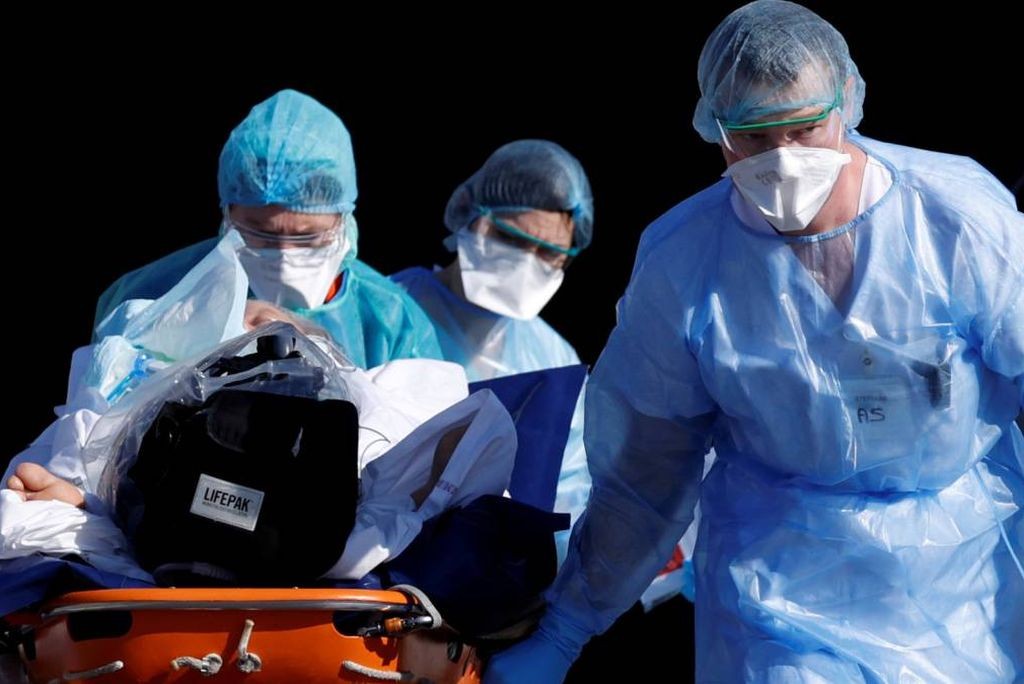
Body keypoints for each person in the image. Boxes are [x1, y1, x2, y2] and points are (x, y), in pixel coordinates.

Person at [484, 1, 1024, 682]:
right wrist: (566, 628)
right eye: (754, 136)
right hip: (782, 593)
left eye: (804, 128)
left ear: (847, 100)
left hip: (962, 590)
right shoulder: (685, 263)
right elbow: (644, 476)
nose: (784, 160)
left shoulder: (954, 220)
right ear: (714, 127)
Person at [94, 89, 441, 368]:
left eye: (307, 236)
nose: (284, 256)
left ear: (343, 222)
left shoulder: (392, 321)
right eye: (261, 234)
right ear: (228, 215)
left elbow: (426, 427)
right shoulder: (151, 295)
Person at [391, 140, 594, 561]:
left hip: (495, 575)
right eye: (510, 239)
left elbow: (570, 491)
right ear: (469, 215)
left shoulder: (554, 359)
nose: (525, 262)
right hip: (380, 562)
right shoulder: (388, 313)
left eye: (549, 254)